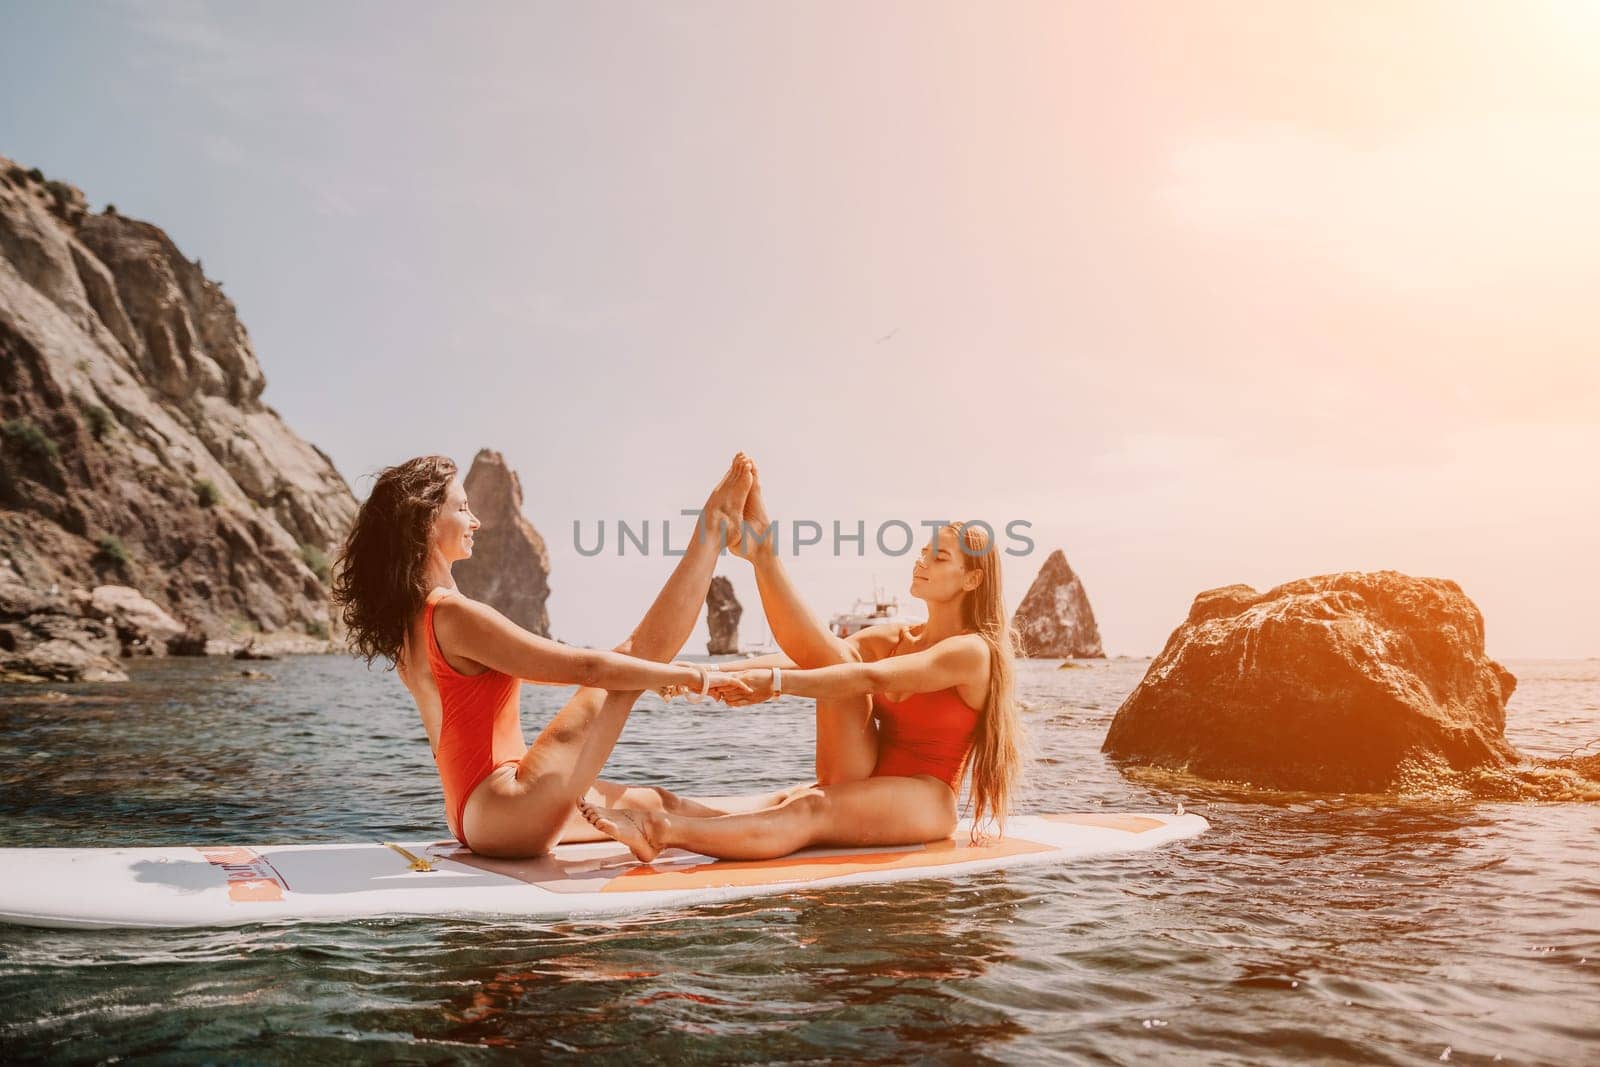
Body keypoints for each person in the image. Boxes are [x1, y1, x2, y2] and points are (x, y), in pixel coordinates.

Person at [580, 464, 1024, 863]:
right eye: (924, 551)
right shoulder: (898, 636)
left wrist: (772, 685)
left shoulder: (973, 652)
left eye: (939, 557)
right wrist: (703, 676)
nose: (921, 560)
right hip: (860, 773)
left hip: (925, 798)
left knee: (806, 808)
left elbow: (867, 677)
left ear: (972, 579)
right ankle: (587, 803)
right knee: (767, 788)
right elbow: (810, 657)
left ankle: (658, 831)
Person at [331, 452, 756, 858]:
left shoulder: (411, 622)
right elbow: (586, 668)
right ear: (425, 522)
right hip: (508, 807)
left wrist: (659, 676)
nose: (475, 520)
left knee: (657, 802)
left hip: (474, 817)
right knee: (634, 654)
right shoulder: (452, 614)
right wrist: (698, 677)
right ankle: (712, 530)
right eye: (462, 508)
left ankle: (782, 819)